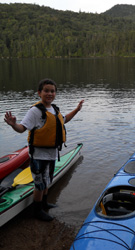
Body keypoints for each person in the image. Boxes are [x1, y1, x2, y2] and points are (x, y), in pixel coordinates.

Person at [4, 78, 84, 221]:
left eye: (52, 91)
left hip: (52, 154)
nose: (49, 93)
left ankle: (45, 203)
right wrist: (13, 125)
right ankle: (37, 211)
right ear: (39, 93)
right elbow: (22, 128)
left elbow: (64, 119)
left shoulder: (54, 109)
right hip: (38, 155)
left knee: (47, 181)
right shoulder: (35, 111)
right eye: (46, 91)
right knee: (39, 184)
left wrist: (77, 110)